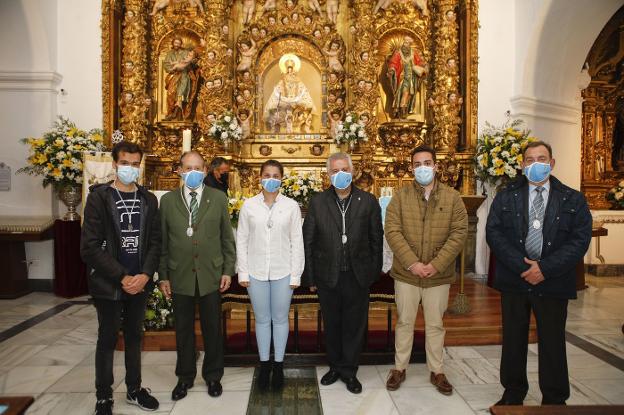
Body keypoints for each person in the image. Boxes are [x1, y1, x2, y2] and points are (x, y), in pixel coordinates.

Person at [486, 141, 592, 406]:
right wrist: (524, 268)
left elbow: (580, 240)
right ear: (522, 165)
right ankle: (513, 393)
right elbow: (494, 233)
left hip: (553, 280)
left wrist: (544, 268)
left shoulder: (573, 198)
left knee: (553, 340)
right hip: (515, 279)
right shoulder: (506, 196)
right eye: (530, 159)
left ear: (552, 163)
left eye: (541, 159)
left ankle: (555, 398)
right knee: (513, 338)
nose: (536, 164)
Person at [80, 141, 161, 415]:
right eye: (124, 163)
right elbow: (89, 247)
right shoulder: (99, 198)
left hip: (139, 282)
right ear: (114, 164)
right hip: (110, 283)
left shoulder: (148, 200)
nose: (129, 168)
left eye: (134, 164)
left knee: (135, 337)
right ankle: (103, 396)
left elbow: (155, 242)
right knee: (107, 339)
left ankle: (134, 389)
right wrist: (122, 277)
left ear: (140, 165)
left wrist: (145, 274)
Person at [384, 145, 467, 395]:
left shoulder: (452, 198)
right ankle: (399, 368)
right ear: (412, 168)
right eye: (418, 164)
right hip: (407, 274)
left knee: (435, 324)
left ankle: (437, 370)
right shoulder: (400, 197)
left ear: (436, 166)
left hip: (438, 276)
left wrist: (436, 264)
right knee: (405, 322)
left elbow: (459, 233)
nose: (423, 168)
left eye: (427, 163)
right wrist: (413, 263)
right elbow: (393, 230)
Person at [302, 152, 383, 394]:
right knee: (333, 324)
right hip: (328, 275)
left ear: (353, 171)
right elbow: (309, 241)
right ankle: (335, 366)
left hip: (357, 276)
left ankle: (349, 370)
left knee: (354, 325)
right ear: (328, 175)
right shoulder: (318, 202)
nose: (340, 175)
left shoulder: (368, 201)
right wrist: (311, 278)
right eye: (335, 171)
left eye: (344, 170)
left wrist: (372, 273)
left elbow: (376, 239)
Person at [158, 151, 236, 401]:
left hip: (211, 274)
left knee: (212, 328)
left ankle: (213, 376)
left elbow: (227, 238)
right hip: (179, 274)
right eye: (187, 168)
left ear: (205, 171)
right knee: (183, 330)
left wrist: (227, 270)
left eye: (197, 168)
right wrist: (163, 275)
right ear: (179, 171)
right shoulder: (168, 201)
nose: (192, 172)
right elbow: (162, 242)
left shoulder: (218, 198)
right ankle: (185, 376)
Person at [236, 159, 304, 391]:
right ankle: (264, 365)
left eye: (276, 175)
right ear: (260, 177)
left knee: (280, 319)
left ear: (282, 179)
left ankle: (279, 366)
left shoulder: (291, 206)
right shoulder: (249, 206)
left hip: (283, 271)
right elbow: (242, 239)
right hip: (255, 272)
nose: (271, 179)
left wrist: (296, 275)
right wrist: (243, 271)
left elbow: (297, 242)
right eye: (267, 175)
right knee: (263, 319)